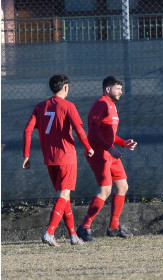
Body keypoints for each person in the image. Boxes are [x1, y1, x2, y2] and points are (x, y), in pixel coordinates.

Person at [22, 73, 94, 246]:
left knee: (64, 196)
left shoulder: (40, 107)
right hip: (66, 157)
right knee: (64, 194)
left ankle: (72, 235)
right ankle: (49, 232)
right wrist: (88, 147)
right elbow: (79, 130)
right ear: (66, 87)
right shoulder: (68, 106)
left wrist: (26, 155)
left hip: (50, 159)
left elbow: (27, 131)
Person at [77, 76, 137, 242]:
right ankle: (84, 227)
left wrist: (124, 143)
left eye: (121, 89)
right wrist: (110, 148)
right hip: (98, 152)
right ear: (108, 89)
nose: (121, 92)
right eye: (118, 88)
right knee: (105, 189)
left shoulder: (111, 105)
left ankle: (113, 227)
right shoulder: (101, 104)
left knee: (122, 186)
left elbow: (109, 134)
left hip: (110, 152)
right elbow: (94, 134)